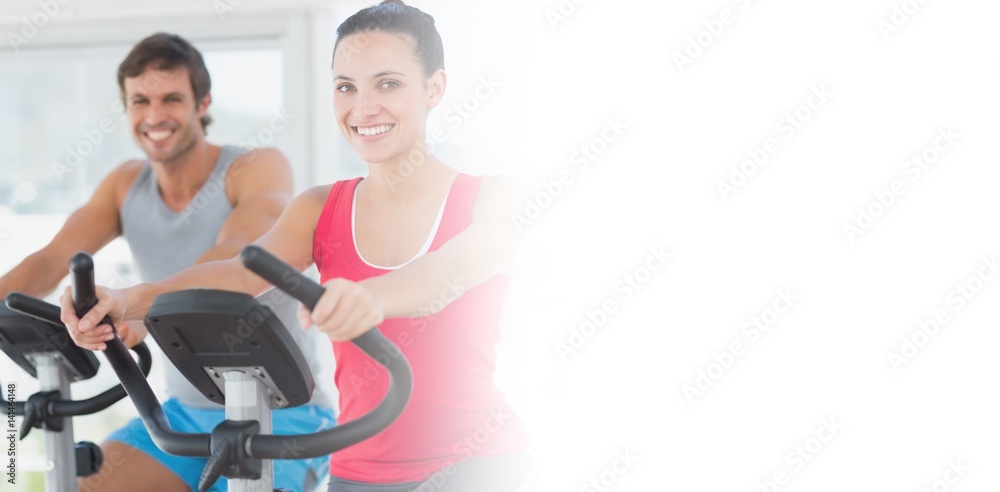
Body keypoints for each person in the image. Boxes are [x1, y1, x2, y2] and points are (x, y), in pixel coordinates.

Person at [63, 2, 534, 491]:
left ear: (434, 88)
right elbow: (237, 277)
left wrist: (371, 297)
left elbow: (454, 266)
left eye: (388, 84)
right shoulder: (319, 208)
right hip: (359, 468)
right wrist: (129, 301)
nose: (363, 107)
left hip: (474, 463)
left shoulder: (493, 197)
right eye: (346, 87)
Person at [0, 32, 336, 491]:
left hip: (288, 414)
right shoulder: (124, 184)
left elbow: (236, 258)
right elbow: (53, 257)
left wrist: (145, 306)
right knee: (92, 486)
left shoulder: (257, 167)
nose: (154, 116)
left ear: (203, 103)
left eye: (171, 98)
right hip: (182, 415)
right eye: (140, 100)